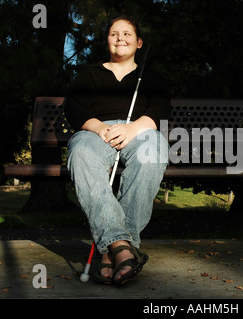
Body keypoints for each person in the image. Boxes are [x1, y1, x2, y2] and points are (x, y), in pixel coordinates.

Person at [64, 15, 170, 286]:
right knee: (82, 155)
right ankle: (122, 248)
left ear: (138, 42)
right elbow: (73, 107)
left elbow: (160, 110)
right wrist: (99, 128)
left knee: (153, 152)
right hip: (96, 131)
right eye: (114, 34)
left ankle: (113, 249)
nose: (120, 38)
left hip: (140, 130)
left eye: (127, 34)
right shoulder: (90, 73)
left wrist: (133, 129)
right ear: (107, 40)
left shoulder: (150, 76)